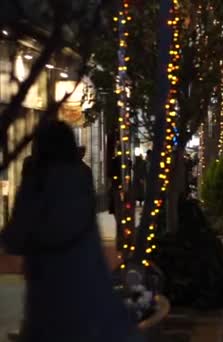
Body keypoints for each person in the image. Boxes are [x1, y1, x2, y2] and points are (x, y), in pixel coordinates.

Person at [0, 120, 139, 341]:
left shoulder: (36, 179)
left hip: (49, 292)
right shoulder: (81, 175)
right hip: (90, 285)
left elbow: (17, 236)